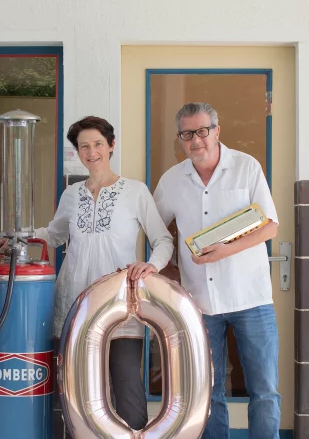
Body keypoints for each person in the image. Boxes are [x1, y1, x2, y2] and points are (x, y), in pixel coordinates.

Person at [37, 116, 174, 430]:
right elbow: (54, 234)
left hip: (121, 308)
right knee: (78, 395)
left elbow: (163, 239)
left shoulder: (135, 192)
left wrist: (152, 266)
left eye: (98, 143)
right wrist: (20, 238)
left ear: (111, 146)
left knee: (127, 393)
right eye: (84, 146)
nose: (91, 151)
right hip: (75, 306)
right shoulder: (71, 195)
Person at [153, 102, 280, 439]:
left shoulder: (246, 167)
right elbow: (157, 232)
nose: (197, 140)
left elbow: (269, 227)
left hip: (251, 298)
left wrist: (227, 250)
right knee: (208, 393)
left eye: (203, 131)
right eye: (187, 134)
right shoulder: (172, 180)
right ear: (180, 138)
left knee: (264, 391)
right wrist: (170, 273)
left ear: (217, 131)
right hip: (200, 303)